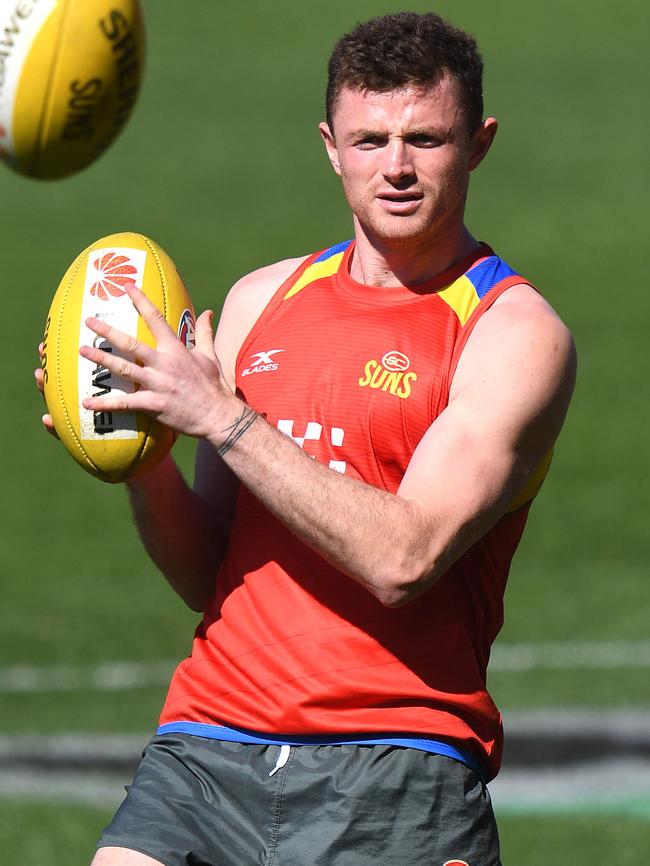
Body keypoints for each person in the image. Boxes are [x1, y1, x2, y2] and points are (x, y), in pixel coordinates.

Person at [37, 11, 576, 866]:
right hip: (206, 747)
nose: (395, 167)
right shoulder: (260, 302)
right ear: (331, 146)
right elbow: (204, 571)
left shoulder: (514, 335)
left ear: (478, 143)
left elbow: (407, 557)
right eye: (369, 140)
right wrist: (139, 456)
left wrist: (220, 415)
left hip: (398, 762)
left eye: (425, 138)